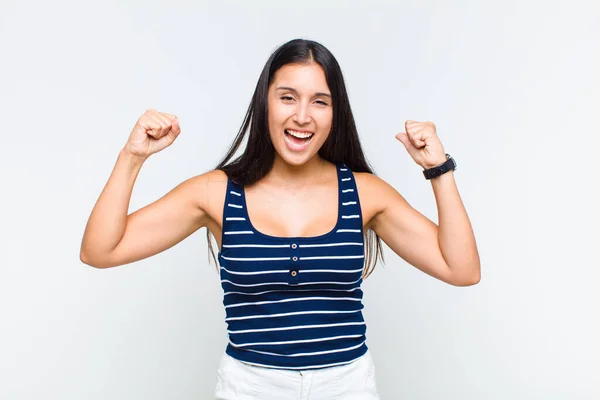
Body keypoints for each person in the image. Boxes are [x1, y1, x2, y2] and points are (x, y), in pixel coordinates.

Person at [80, 38, 480, 399]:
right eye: (287, 97)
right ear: (265, 102)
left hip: (346, 386)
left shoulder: (364, 193)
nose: (302, 116)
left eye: (319, 101)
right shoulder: (217, 193)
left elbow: (461, 269)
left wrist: (438, 168)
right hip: (250, 386)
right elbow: (101, 250)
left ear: (334, 112)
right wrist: (132, 157)